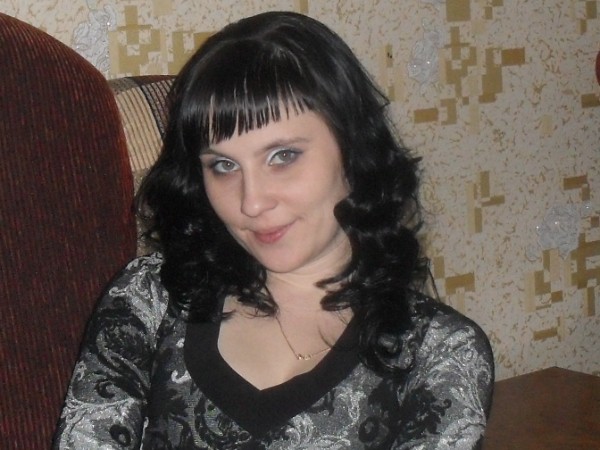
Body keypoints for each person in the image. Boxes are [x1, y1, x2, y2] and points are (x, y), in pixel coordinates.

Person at [54, 11, 494, 449]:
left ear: (353, 147)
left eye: (282, 156)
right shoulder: (147, 301)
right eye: (223, 166)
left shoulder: (441, 353)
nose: (252, 202)